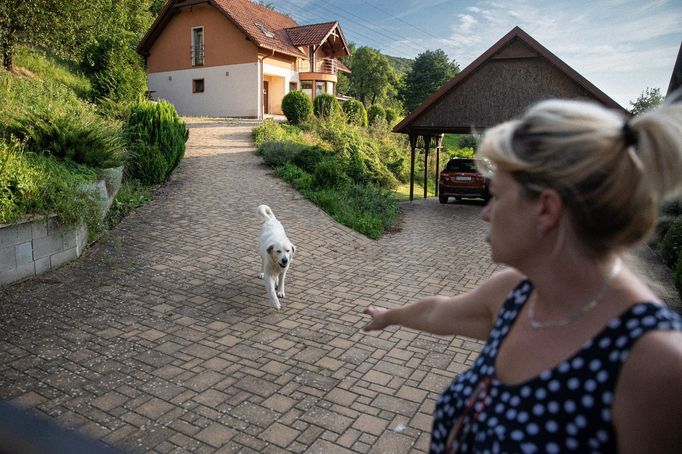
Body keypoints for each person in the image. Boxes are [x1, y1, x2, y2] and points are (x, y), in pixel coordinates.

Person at [362, 97, 682, 453]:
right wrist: (390, 317)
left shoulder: (658, 365)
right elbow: (439, 311)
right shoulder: (516, 293)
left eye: (496, 196)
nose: (486, 214)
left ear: (545, 209)